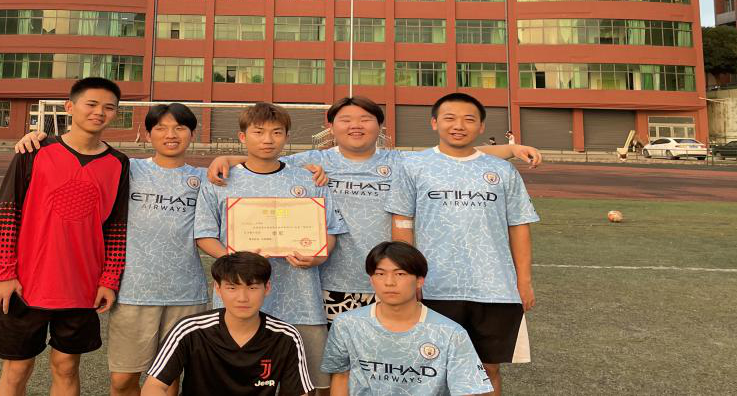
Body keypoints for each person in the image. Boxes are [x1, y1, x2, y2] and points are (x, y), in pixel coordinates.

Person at [208, 97, 542, 324]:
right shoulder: (312, 161)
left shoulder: (400, 161)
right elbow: (265, 158)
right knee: (332, 364)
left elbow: (451, 154)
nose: (356, 126)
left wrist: (510, 149)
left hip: (385, 280)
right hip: (327, 280)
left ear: (379, 126)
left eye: (365, 119)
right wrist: (227, 159)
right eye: (346, 120)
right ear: (332, 127)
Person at [12, 104, 210, 396]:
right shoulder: (127, 167)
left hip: (186, 292)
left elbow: (254, 166)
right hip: (132, 291)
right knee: (122, 380)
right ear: (147, 134)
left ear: (192, 134)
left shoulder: (205, 177)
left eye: (180, 128)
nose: (171, 135)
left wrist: (229, 158)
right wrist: (37, 140)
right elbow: (85, 152)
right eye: (161, 128)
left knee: (169, 379)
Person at [0, 77, 130, 396]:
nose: (99, 112)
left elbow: (117, 227)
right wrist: (3, 273)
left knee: (66, 366)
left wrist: (109, 279)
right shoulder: (34, 149)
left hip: (81, 286)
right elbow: (7, 212)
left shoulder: (119, 163)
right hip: (27, 284)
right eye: (91, 104)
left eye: (108, 107)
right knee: (16, 369)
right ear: (69, 107)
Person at [386, 93, 538, 396]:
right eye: (449, 118)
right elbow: (402, 223)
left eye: (469, 119)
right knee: (429, 368)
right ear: (434, 123)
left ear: (481, 127)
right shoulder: (413, 165)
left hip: (495, 287)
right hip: (435, 285)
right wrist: (407, 275)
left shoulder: (503, 171)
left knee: (487, 368)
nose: (458, 125)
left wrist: (524, 281)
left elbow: (519, 226)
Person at [195, 102, 348, 393]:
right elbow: (204, 235)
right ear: (243, 137)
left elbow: (330, 231)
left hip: (300, 298)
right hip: (241, 299)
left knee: (309, 384)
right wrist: (235, 259)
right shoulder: (220, 180)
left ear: (286, 136)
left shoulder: (308, 178)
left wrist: (317, 257)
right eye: (258, 132)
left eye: (276, 132)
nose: (268, 139)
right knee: (237, 382)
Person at [322, 241, 492, 395]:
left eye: (400, 274)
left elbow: (466, 390)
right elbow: (341, 376)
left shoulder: (451, 333)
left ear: (420, 281)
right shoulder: (346, 324)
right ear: (371, 280)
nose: (389, 282)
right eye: (380, 274)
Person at [142, 252, 313, 395]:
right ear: (218, 288)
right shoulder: (190, 329)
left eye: (252, 288)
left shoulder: (286, 336)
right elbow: (153, 387)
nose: (242, 298)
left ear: (267, 288)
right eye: (232, 287)